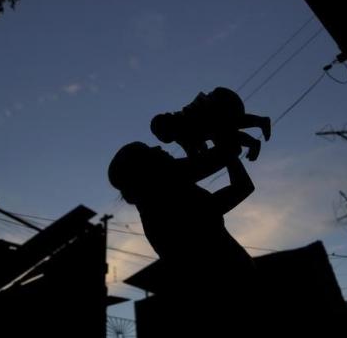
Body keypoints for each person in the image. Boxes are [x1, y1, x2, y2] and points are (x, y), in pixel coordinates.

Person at [108, 137, 257, 334]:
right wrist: (222, 141)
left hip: (225, 293)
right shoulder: (164, 195)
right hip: (231, 292)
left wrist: (204, 146)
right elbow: (230, 174)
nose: (158, 146)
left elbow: (237, 183)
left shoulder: (159, 201)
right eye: (148, 150)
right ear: (145, 169)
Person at [150, 86, 271, 161]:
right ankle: (258, 130)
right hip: (224, 99)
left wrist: (200, 159)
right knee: (227, 130)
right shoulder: (182, 129)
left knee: (224, 131)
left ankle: (257, 133)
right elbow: (196, 151)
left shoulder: (183, 126)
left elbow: (193, 155)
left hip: (222, 100)